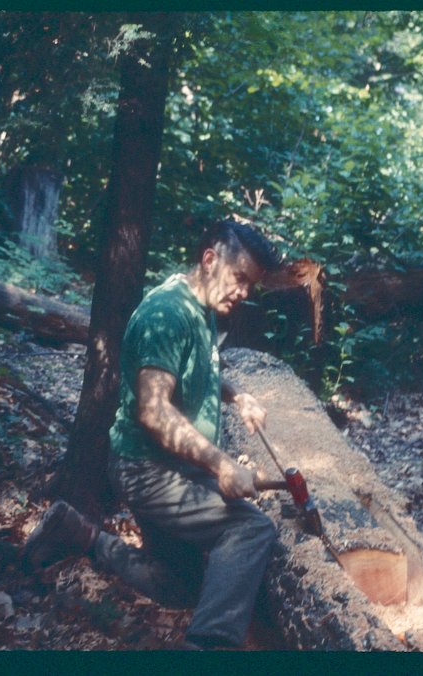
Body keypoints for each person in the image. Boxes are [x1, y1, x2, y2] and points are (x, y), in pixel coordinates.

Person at [23, 219, 282, 650]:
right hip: (148, 471)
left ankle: (76, 532)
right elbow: (154, 411)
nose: (245, 292)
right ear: (210, 259)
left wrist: (237, 395)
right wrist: (222, 464)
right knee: (250, 530)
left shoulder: (199, 308)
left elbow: (189, 371)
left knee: (178, 585)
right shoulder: (167, 314)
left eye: (251, 285)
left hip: (168, 467)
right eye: (240, 279)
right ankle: (207, 647)